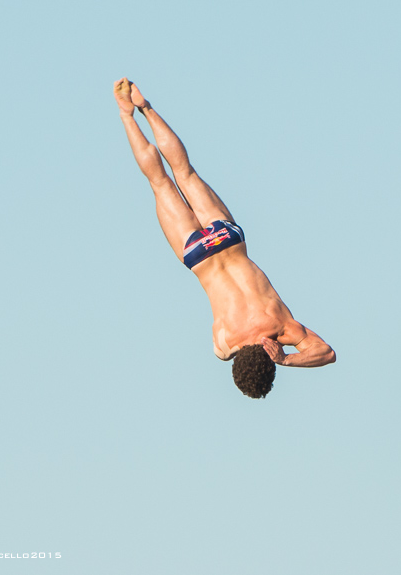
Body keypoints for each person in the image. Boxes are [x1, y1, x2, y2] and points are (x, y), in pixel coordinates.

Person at [113, 78, 335, 398]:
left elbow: (326, 353)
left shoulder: (283, 325)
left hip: (228, 239)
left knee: (184, 171)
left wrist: (286, 357)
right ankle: (126, 116)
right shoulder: (224, 343)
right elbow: (228, 352)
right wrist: (279, 356)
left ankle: (145, 107)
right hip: (197, 254)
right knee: (159, 182)